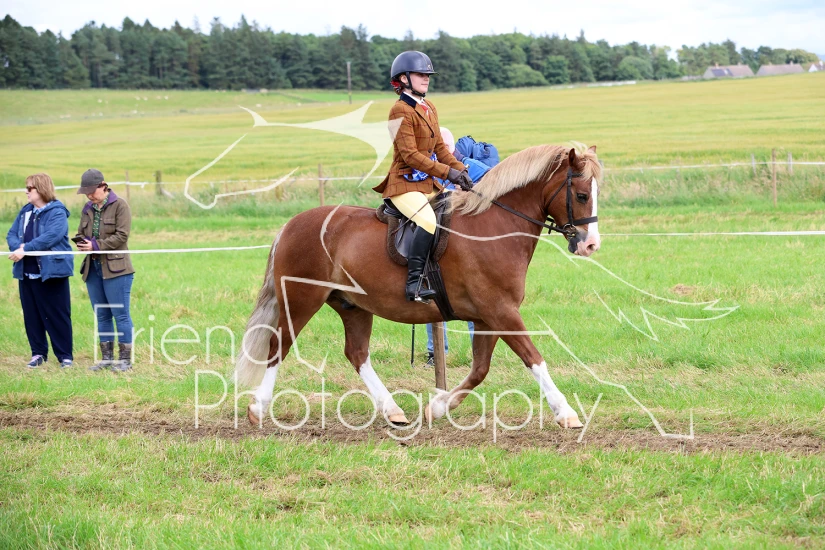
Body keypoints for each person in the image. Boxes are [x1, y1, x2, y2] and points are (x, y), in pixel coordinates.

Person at [373, 50, 472, 302]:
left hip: (427, 183)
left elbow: (440, 149)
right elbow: (410, 156)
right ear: (403, 78)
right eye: (420, 74)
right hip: (404, 184)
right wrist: (447, 172)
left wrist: (461, 170)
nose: (426, 78)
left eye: (428, 75)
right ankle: (414, 284)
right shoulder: (399, 111)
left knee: (457, 213)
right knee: (428, 221)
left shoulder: (429, 108)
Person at [6, 173, 74, 368]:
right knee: (32, 315)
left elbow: (51, 236)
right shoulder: (25, 211)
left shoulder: (57, 212)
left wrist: (25, 249)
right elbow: (11, 234)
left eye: (30, 188)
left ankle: (65, 356)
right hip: (26, 273)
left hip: (52, 272)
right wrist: (17, 247)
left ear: (41, 189)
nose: (26, 192)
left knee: (57, 315)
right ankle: (38, 354)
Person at [74, 169, 135, 372]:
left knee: (121, 315)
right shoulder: (87, 209)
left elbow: (122, 236)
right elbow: (81, 231)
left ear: (103, 185)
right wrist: (82, 242)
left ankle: (125, 360)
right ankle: (106, 359)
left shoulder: (120, 205)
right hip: (92, 268)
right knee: (102, 315)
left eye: (92, 191)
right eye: (86, 193)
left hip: (117, 269)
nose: (89, 196)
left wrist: (95, 245)